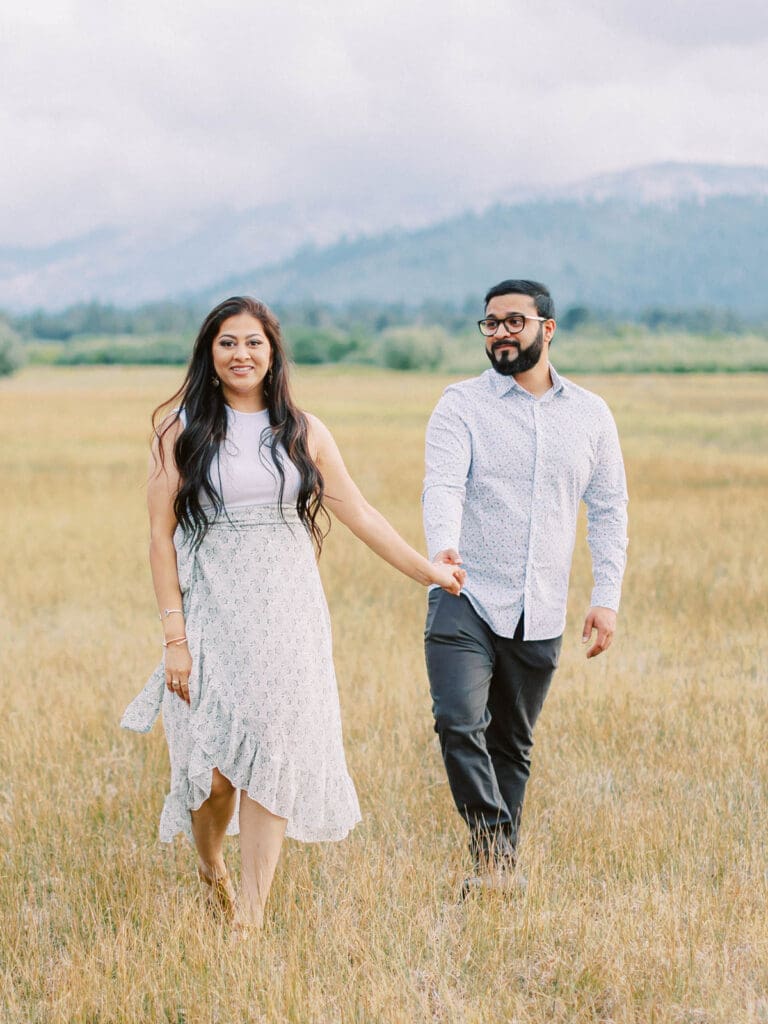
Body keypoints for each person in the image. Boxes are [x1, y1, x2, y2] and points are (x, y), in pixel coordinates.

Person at [121, 296, 465, 933]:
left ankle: (250, 918)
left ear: (273, 352)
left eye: (253, 342)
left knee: (272, 756)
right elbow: (158, 537)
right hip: (213, 615)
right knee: (216, 771)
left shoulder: (303, 431)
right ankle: (210, 866)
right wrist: (175, 635)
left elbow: (359, 514)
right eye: (228, 342)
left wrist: (430, 571)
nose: (241, 354)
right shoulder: (180, 430)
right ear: (210, 353)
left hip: (289, 616)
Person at [422, 279, 628, 897]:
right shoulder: (459, 404)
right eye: (490, 323)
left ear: (548, 327)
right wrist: (442, 549)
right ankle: (495, 849)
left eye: (515, 320)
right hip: (464, 595)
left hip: (541, 609)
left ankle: (490, 875)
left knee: (511, 743)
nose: (501, 332)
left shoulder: (590, 414)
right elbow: (443, 486)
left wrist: (606, 596)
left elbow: (610, 508)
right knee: (459, 723)